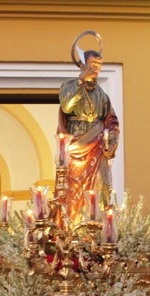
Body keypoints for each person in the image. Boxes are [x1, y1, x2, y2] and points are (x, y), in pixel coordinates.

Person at [58, 32, 120, 220]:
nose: (96, 70)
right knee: (73, 188)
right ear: (83, 65)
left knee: (100, 188)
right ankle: (74, 227)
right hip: (76, 147)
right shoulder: (69, 86)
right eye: (92, 65)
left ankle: (98, 225)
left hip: (98, 147)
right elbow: (67, 106)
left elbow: (112, 121)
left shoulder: (102, 95)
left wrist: (112, 142)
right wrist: (80, 83)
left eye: (99, 66)